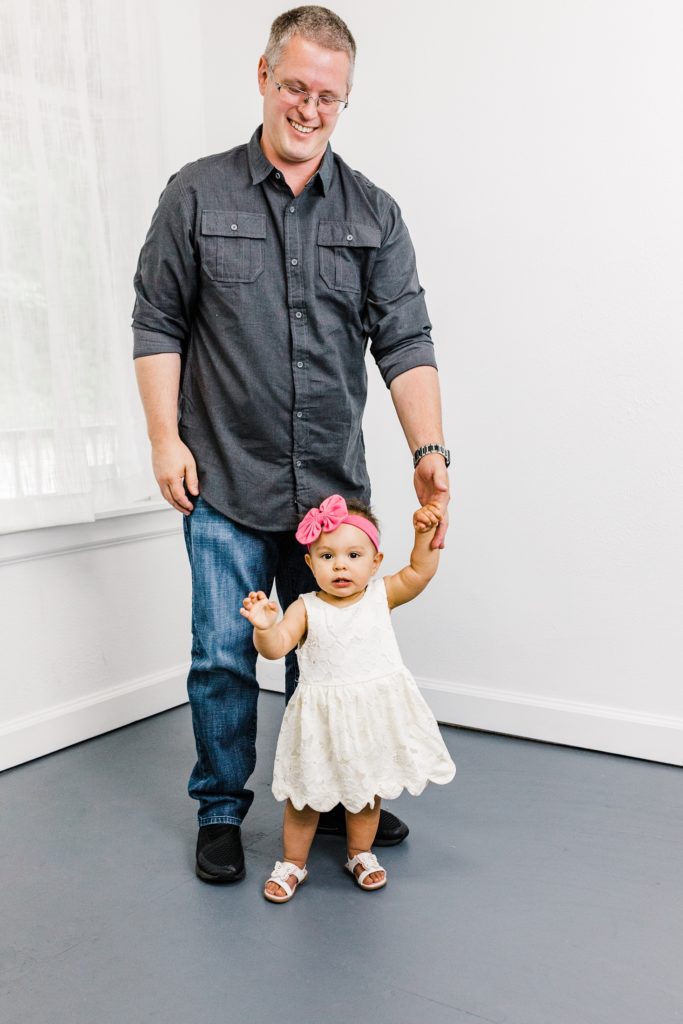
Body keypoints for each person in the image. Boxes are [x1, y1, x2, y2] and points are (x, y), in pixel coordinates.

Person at [132, 5, 451, 884]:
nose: (310, 108)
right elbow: (157, 319)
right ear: (264, 77)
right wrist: (165, 440)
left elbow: (406, 338)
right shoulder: (195, 193)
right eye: (296, 87)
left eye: (329, 96)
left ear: (344, 101)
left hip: (333, 497)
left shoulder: (374, 212)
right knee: (224, 657)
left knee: (341, 658)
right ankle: (222, 812)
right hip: (225, 479)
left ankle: (352, 794)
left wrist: (431, 450)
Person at [240, 494, 456, 902]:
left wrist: (423, 534)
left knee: (365, 792)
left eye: (354, 554)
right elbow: (276, 647)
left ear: (375, 562)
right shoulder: (305, 608)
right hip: (320, 721)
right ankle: (292, 863)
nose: (340, 564)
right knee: (306, 797)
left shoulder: (381, 595)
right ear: (309, 564)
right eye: (326, 555)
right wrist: (266, 626)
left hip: (370, 719)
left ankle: (360, 853)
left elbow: (420, 573)